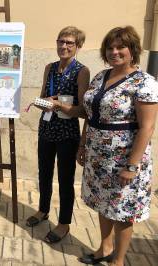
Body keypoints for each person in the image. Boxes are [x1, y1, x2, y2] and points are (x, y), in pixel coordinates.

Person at [77, 26, 158, 266]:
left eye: (120, 47)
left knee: (123, 212)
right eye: (110, 47)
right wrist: (82, 145)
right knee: (103, 203)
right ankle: (104, 247)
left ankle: (118, 261)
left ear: (132, 50)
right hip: (97, 156)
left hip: (125, 160)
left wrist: (131, 166)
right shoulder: (101, 76)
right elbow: (91, 115)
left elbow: (147, 127)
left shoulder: (145, 83)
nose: (115, 52)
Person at [25, 26, 90, 244]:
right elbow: (44, 97)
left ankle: (63, 224)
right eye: (61, 41)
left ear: (78, 46)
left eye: (69, 43)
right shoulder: (49, 68)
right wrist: (41, 103)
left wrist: (59, 105)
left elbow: (82, 110)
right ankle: (43, 210)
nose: (64, 46)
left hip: (67, 134)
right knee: (43, 173)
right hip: (46, 129)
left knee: (64, 179)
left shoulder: (82, 71)